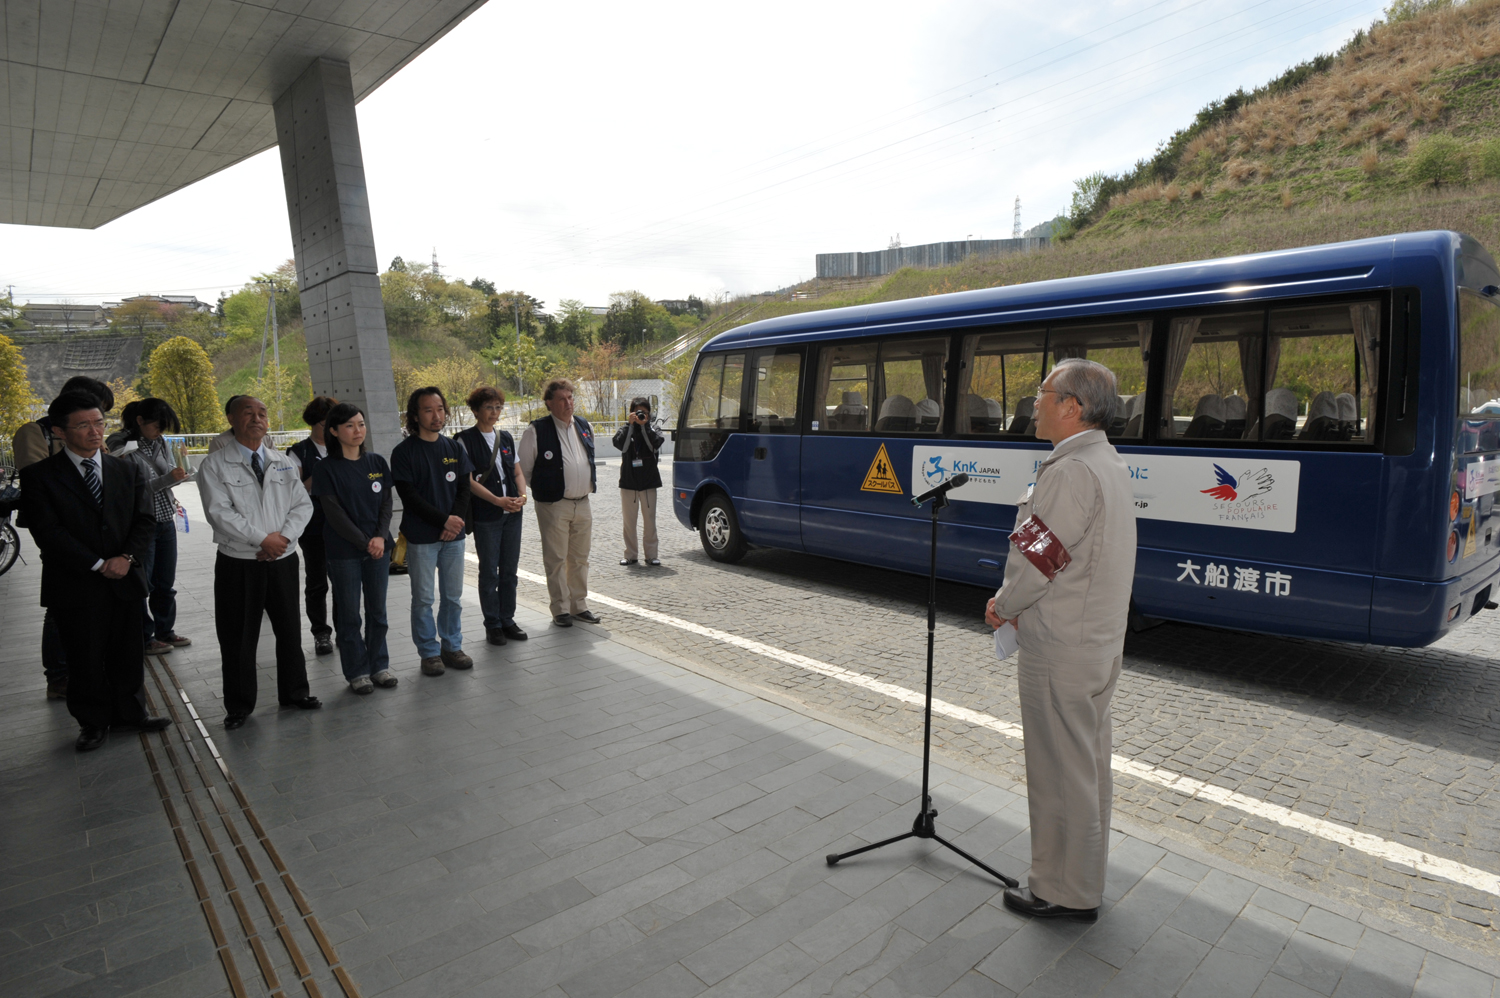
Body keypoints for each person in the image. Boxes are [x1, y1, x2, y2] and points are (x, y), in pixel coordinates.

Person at [984, 358, 1137, 923]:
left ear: (1071, 406)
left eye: (1041, 393)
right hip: (1096, 642)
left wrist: (1004, 606)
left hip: (1061, 647)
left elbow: (1038, 559)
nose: (1034, 404)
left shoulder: (1070, 471)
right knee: (1086, 768)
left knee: (1057, 772)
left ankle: (1062, 891)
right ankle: (1083, 881)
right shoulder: (1106, 461)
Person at [19, 391, 170, 751]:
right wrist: (99, 563)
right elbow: (48, 532)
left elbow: (144, 520)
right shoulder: (41, 476)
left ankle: (131, 713)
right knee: (84, 655)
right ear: (59, 431)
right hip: (76, 581)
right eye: (83, 425)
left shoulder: (127, 469)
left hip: (125, 577)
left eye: (99, 423)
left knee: (127, 651)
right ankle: (92, 722)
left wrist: (127, 558)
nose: (94, 431)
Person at [197, 395, 322, 729]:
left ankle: (295, 692)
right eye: (248, 413)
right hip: (239, 561)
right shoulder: (214, 465)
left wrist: (282, 540)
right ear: (231, 418)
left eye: (262, 413)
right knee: (237, 635)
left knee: (289, 629)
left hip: (282, 559)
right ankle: (239, 705)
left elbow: (302, 505)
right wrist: (262, 539)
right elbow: (219, 513)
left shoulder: (282, 462)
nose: (257, 419)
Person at [13, 376, 114, 699]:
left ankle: (98, 665)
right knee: (62, 601)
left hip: (99, 529)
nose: (95, 427)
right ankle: (58, 674)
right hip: (60, 529)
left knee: (101, 598)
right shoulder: (34, 432)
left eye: (100, 418)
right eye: (89, 416)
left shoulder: (94, 437)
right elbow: (37, 479)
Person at [311, 402, 396, 694]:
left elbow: (386, 504)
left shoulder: (376, 463)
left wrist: (380, 538)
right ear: (334, 431)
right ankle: (357, 672)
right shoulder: (325, 468)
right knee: (349, 615)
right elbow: (334, 513)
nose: (357, 430)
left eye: (361, 424)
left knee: (377, 611)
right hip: (344, 552)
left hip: (378, 549)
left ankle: (379, 666)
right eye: (349, 425)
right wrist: (365, 542)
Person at [391, 387, 474, 676]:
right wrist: (444, 521)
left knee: (452, 597)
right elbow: (409, 496)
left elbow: (464, 488)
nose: (436, 415)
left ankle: (451, 646)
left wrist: (455, 521)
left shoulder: (454, 448)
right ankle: (428, 652)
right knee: (424, 598)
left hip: (453, 537)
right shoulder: (404, 452)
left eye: (440, 409)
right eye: (428, 410)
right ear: (415, 416)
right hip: (421, 537)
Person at [111, 398, 193, 655]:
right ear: (139, 421)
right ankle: (143, 637)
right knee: (141, 584)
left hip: (165, 518)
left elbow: (166, 475)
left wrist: (180, 474)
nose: (160, 431)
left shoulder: (160, 442)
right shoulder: (120, 444)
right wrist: (167, 479)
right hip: (140, 525)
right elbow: (128, 491)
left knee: (165, 582)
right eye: (157, 425)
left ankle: (165, 631)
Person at [518, 379, 601, 627]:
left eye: (571, 397)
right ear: (549, 403)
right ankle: (561, 609)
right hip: (554, 505)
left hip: (583, 502)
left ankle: (579, 605)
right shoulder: (536, 431)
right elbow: (523, 471)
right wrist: (547, 489)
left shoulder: (585, 426)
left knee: (580, 558)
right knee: (556, 559)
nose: (568, 403)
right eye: (562, 399)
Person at [455, 386, 529, 646]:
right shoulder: (464, 440)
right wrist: (497, 500)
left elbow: (517, 471)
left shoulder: (505, 437)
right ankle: (493, 624)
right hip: (487, 515)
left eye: (498, 407)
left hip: (513, 514)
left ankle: (508, 619)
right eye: (489, 407)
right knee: (489, 571)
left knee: (509, 570)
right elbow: (467, 481)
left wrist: (523, 495)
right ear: (476, 410)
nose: (495, 412)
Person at [288, 396, 339, 656]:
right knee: (318, 582)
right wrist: (320, 473)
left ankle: (346, 629)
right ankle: (321, 633)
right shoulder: (299, 452)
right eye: (325, 423)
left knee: (344, 581)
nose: (331, 429)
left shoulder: (344, 447)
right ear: (314, 423)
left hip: (343, 526)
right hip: (313, 527)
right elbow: (294, 492)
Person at [611, 396, 664, 567]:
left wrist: (644, 427)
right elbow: (622, 446)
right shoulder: (625, 429)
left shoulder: (654, 428)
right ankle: (630, 555)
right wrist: (631, 426)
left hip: (648, 482)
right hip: (629, 482)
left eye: (645, 412)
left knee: (650, 521)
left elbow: (654, 446)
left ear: (649, 413)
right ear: (631, 413)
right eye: (638, 412)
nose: (641, 415)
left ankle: (651, 555)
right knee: (629, 522)